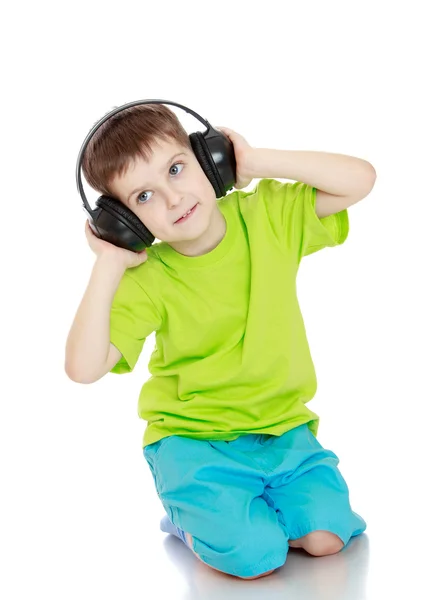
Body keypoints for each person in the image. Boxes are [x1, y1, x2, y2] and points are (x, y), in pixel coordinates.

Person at [65, 103, 376, 580]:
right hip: (193, 444)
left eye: (176, 168)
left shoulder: (267, 214)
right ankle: (187, 517)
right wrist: (108, 263)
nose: (172, 199)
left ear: (208, 158)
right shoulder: (148, 278)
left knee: (327, 539)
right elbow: (83, 368)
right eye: (144, 196)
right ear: (122, 220)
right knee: (256, 557)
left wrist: (254, 161)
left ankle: (255, 503)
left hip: (281, 429)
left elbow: (360, 179)